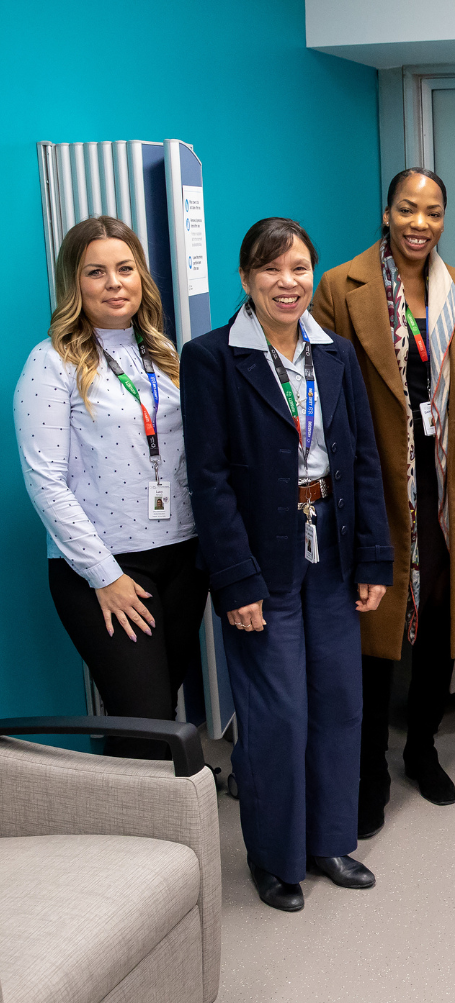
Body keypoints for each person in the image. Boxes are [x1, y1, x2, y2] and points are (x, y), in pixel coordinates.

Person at [183, 218, 392, 912]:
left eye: (299, 268)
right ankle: (275, 858)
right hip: (263, 558)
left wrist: (373, 556)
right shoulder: (212, 357)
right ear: (246, 278)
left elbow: (361, 459)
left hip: (330, 547)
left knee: (338, 702)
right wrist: (234, 578)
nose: (287, 282)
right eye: (271, 269)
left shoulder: (333, 357)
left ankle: (330, 839)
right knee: (277, 714)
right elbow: (208, 480)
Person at [314, 168, 455, 839]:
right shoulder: (340, 289)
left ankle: (421, 747)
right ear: (386, 213)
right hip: (376, 485)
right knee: (376, 627)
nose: (419, 223)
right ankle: (369, 768)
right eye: (408, 209)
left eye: (432, 212)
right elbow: (318, 393)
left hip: (448, 482)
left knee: (439, 621)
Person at [15, 217, 207, 759]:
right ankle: (139, 835)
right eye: (96, 272)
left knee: (157, 710)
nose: (114, 282)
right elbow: (44, 480)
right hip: (106, 567)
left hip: (182, 557)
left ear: (141, 277)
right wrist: (106, 576)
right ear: (74, 284)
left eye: (125, 269)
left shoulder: (164, 355)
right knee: (144, 716)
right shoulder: (52, 362)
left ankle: (150, 825)